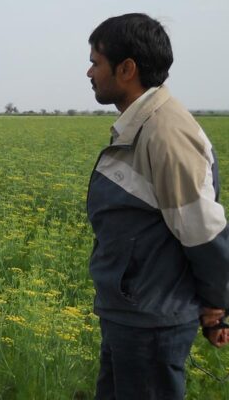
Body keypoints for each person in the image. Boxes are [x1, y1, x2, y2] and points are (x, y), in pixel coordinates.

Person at [85, 13, 229, 399]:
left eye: (96, 62)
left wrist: (217, 304)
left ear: (127, 68)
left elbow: (203, 232)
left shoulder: (165, 132)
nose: (89, 72)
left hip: (152, 320)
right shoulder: (142, 124)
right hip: (133, 313)